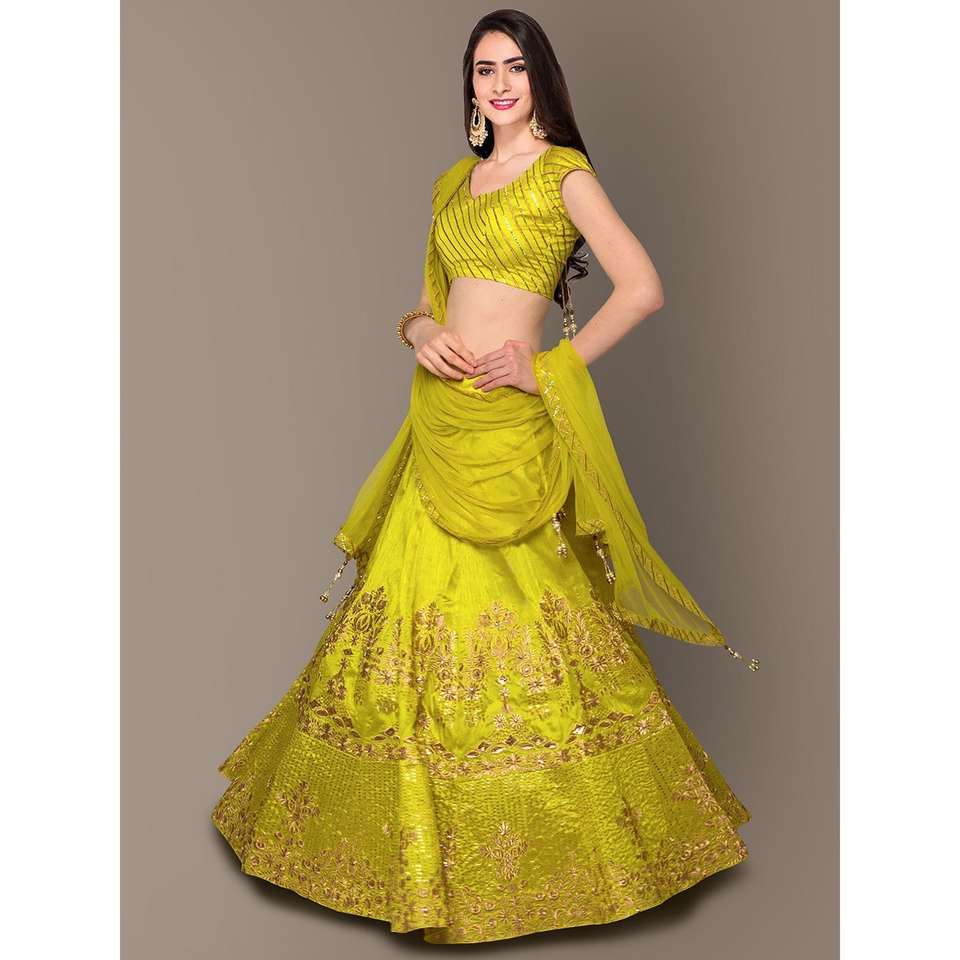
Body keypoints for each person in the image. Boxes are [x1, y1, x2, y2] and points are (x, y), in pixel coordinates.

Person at [211, 9, 758, 946]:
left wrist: (549, 368)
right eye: (483, 70)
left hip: (512, 432)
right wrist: (422, 332)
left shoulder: (563, 175)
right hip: (441, 428)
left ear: (540, 79)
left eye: (514, 67)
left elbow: (643, 288)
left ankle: (563, 856)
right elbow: (427, 303)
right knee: (405, 613)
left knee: (539, 616)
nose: (498, 84)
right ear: (468, 86)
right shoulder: (452, 184)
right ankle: (414, 859)